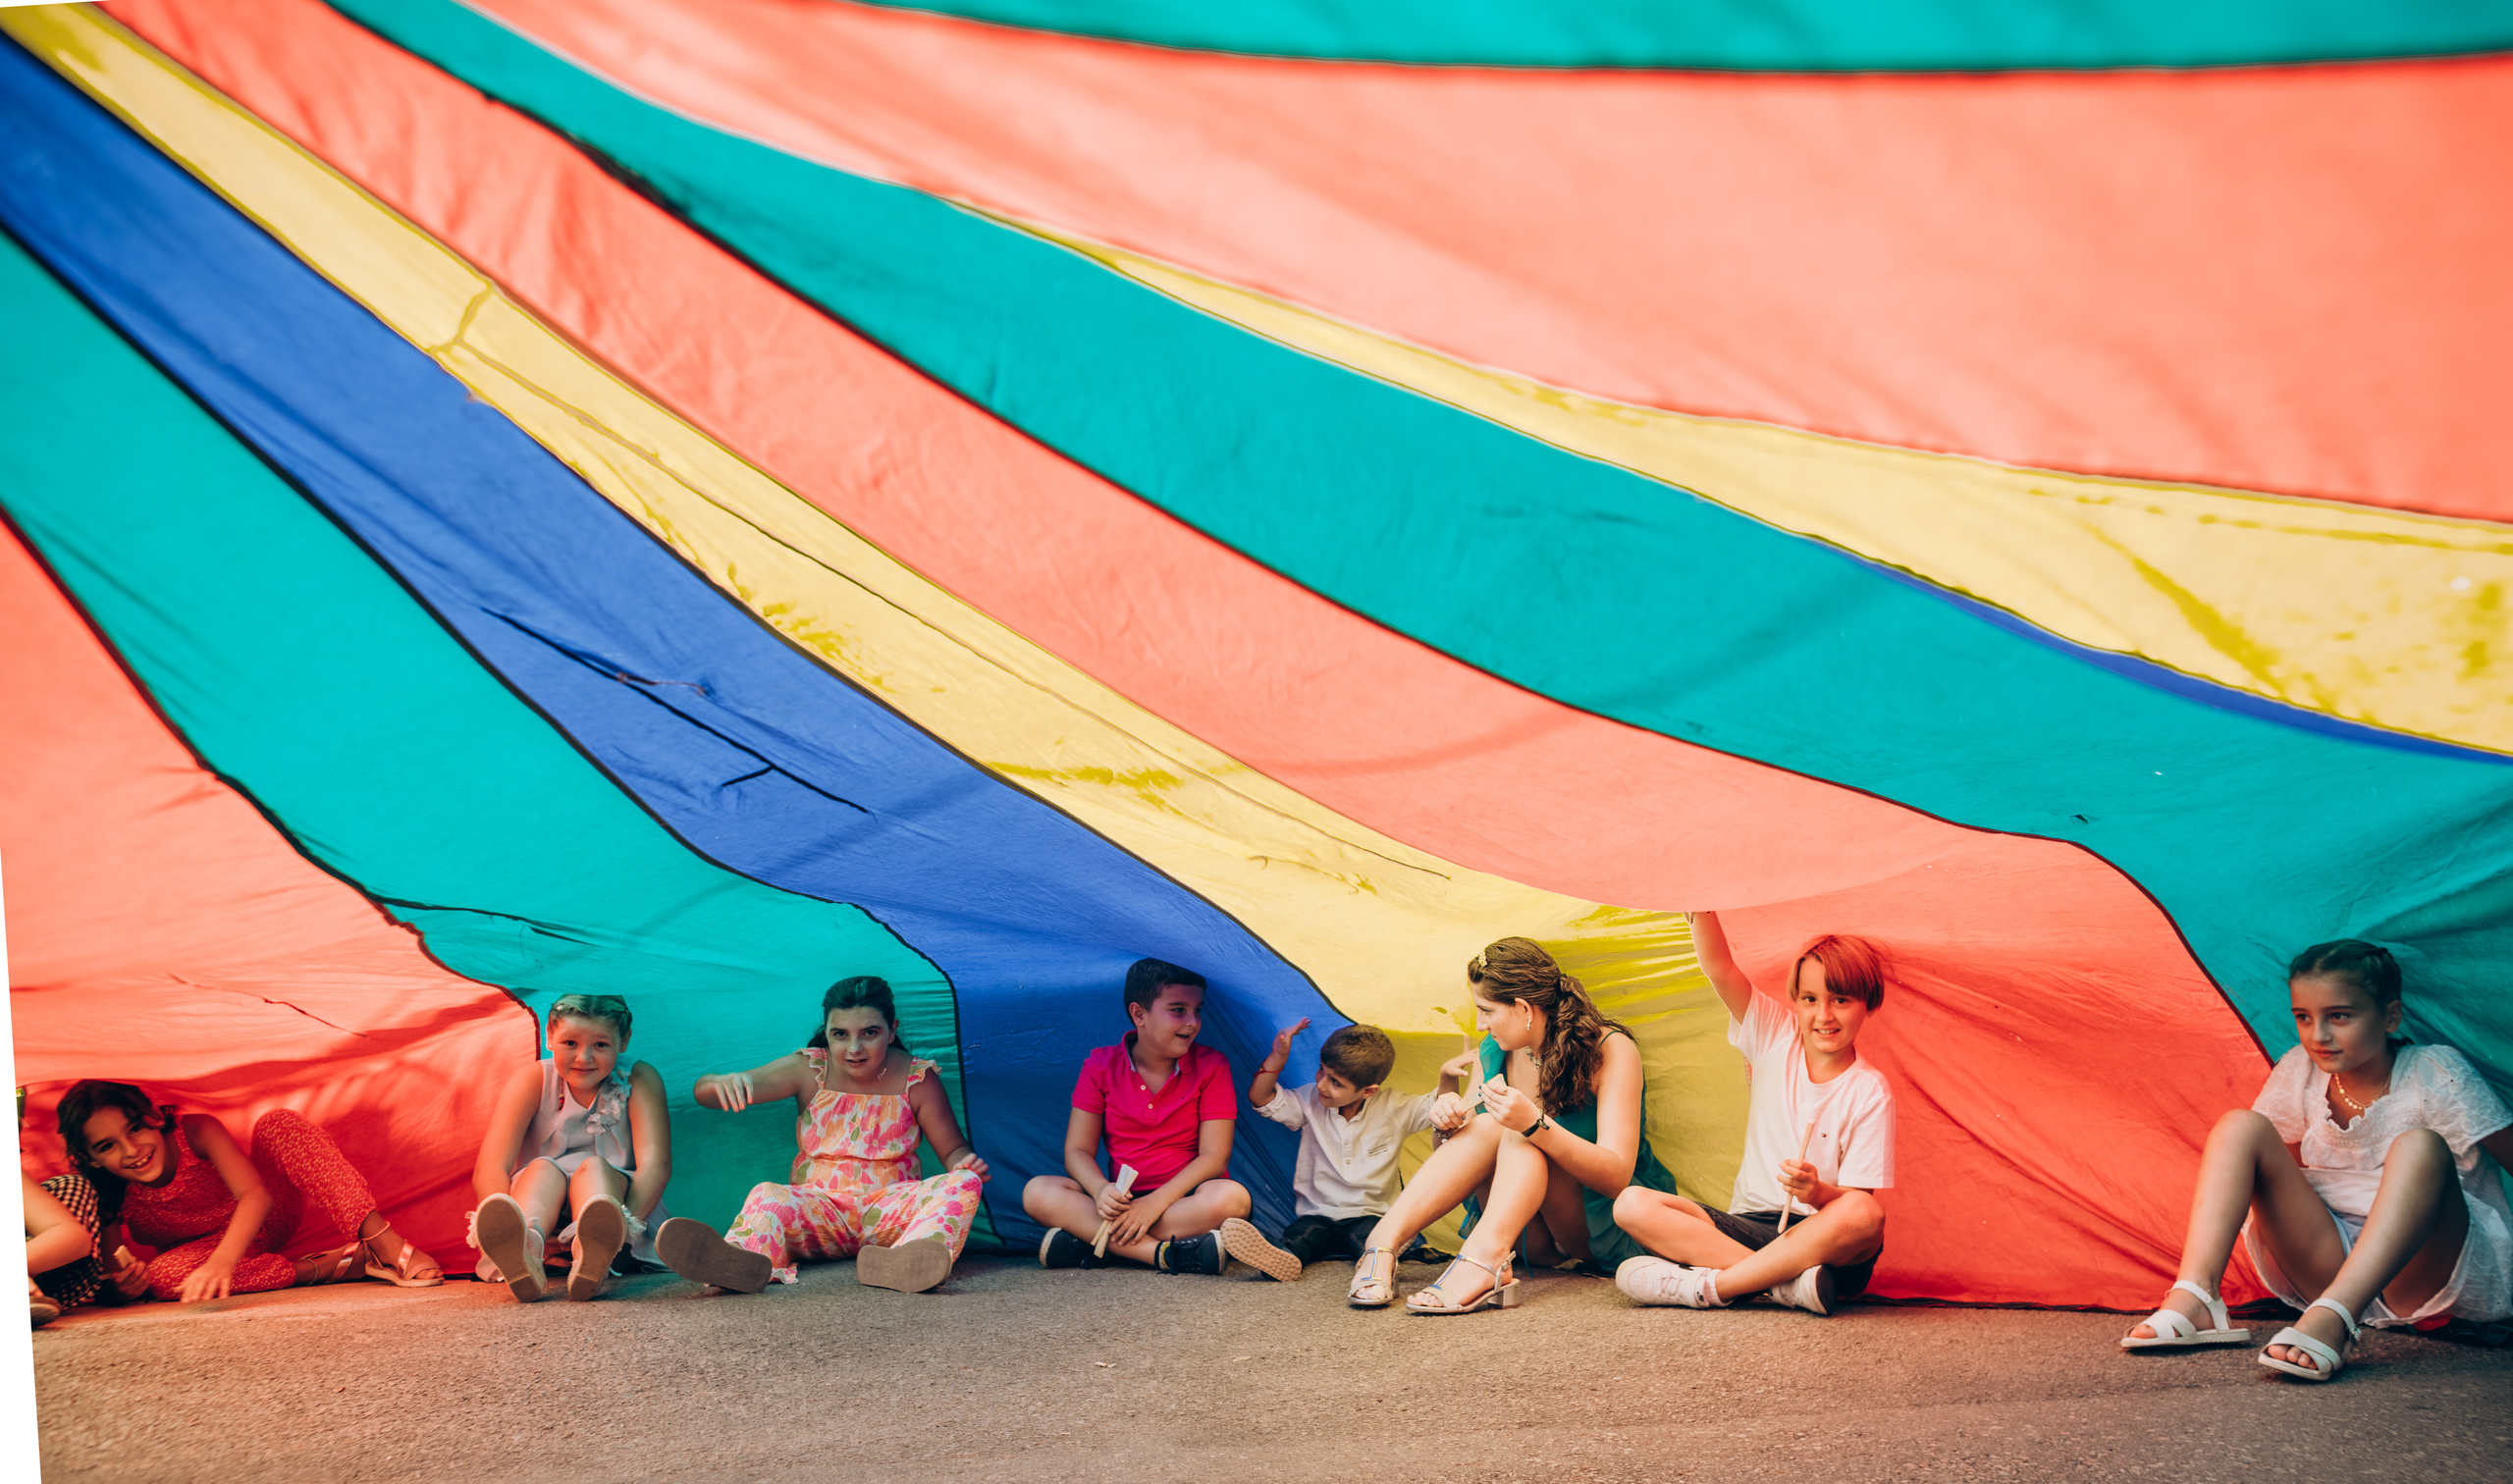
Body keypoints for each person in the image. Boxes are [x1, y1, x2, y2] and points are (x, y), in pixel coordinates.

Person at [2120, 940, 2513, 1381]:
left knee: (2420, 1144)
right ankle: (2196, 1297)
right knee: (2240, 1125)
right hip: (2327, 1260)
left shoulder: (2435, 1071)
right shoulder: (2299, 1070)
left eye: (2339, 1016)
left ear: (2390, 1016)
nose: (2318, 1036)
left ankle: (2336, 1319)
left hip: (2421, 1271)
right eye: (2303, 1018)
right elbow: (2283, 1180)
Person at [1349, 937, 1680, 1314]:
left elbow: (1617, 1176)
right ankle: (1383, 1244)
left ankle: (1483, 1259)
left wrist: (1534, 1125)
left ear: (1524, 1007)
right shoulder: (1495, 1048)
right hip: (1529, 1239)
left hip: (1597, 1223)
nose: (1480, 1023)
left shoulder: (1610, 1049)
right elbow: (1459, 1162)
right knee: (1491, 1126)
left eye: (1486, 1010)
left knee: (1517, 1131)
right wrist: (1446, 1123)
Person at [1612, 913, 1894, 1316]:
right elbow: (1719, 967)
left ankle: (1713, 1286)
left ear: (1868, 1003)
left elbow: (1855, 1206)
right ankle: (1785, 1287)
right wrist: (1699, 902)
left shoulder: (1871, 1091)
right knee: (1631, 1205)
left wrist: (1817, 1193)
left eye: (1841, 1000)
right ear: (1795, 1002)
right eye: (1810, 999)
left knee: (1866, 1214)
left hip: (1822, 1243)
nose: (1824, 1015)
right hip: (1748, 1229)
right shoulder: (1776, 1036)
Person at [659, 976, 988, 1295]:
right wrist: (718, 1082)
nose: (854, 1048)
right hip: (818, 1213)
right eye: (840, 1034)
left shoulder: (917, 1078)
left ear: (892, 1031)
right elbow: (705, 1094)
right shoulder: (811, 1068)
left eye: (869, 1032)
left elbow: (953, 1150)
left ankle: (904, 1263)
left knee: (963, 1183)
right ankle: (739, 1262)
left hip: (890, 1217)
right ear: (827, 1034)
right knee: (767, 1195)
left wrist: (964, 1163)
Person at [54, 1081, 443, 1302]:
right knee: (161, 1277)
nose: (131, 1151)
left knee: (278, 1123)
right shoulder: (106, 1191)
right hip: (198, 1256)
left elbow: (255, 1196)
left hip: (264, 1220)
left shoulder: (196, 1132)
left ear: (155, 1117)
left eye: (135, 1128)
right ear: (90, 1158)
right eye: (106, 1146)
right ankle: (333, 1266)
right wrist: (124, 1287)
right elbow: (109, 1272)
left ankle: (382, 1240)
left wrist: (222, 1263)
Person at [1023, 959, 1273, 1275]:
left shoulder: (1212, 1065)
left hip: (1181, 1200)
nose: (1192, 1022)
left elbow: (1215, 1157)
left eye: (1198, 1010)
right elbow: (1077, 1151)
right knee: (1038, 1192)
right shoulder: (1100, 1065)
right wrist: (1100, 1190)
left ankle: (1094, 1244)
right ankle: (1166, 1254)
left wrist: (1154, 1204)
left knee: (1231, 1199)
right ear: (1139, 1014)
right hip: (1120, 1201)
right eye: (1178, 1009)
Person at [468, 993, 671, 1302]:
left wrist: (624, 1229)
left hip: (621, 1213)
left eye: (600, 1045)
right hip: (540, 1208)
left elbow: (656, 1166)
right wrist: (501, 1222)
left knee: (593, 1167)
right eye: (570, 1043)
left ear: (624, 1040)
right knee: (542, 1168)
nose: (584, 1058)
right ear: (550, 1036)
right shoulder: (531, 1079)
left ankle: (592, 1247)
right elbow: (491, 1167)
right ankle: (526, 1247)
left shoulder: (639, 1079)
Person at [1247, 1019, 1465, 1278]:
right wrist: (1278, 1056)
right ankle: (1282, 1259)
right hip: (1319, 1215)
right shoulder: (1309, 1101)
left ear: (1368, 1091)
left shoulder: (1394, 1107)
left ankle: (1380, 1259)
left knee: (1372, 1241)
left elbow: (1439, 1108)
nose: (1322, 1085)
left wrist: (1447, 1077)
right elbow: (1261, 1099)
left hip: (1370, 1214)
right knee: (1299, 1237)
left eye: (1336, 1083)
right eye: (1322, 1071)